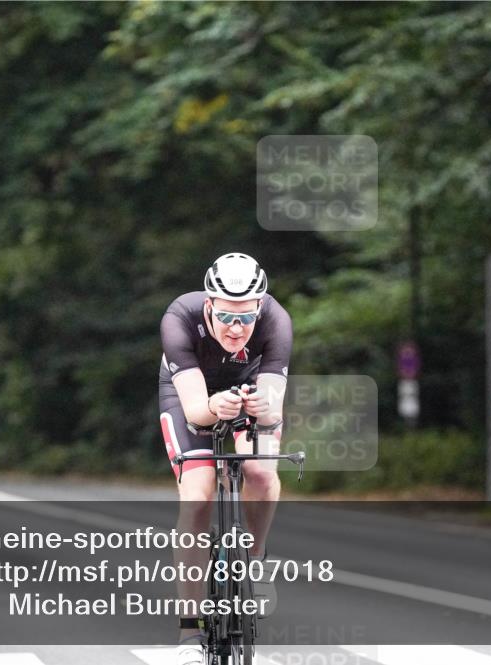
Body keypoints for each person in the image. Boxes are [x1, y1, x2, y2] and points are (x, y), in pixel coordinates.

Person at [159, 253, 291, 665]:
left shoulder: (277, 321)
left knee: (261, 474)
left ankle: (254, 560)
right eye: (227, 317)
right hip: (191, 392)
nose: (237, 329)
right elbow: (197, 412)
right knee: (197, 497)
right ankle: (189, 632)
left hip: (249, 388)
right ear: (209, 306)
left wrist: (258, 406)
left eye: (247, 318)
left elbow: (273, 410)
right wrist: (217, 406)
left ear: (259, 310)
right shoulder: (179, 317)